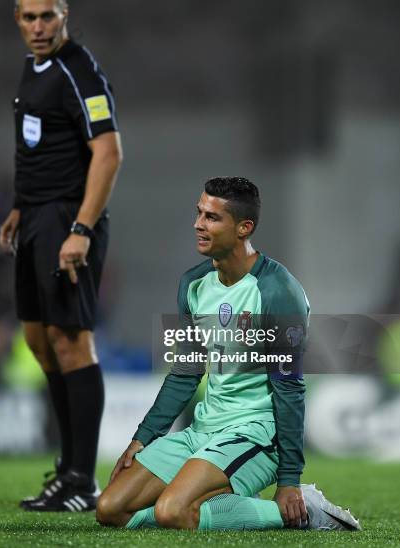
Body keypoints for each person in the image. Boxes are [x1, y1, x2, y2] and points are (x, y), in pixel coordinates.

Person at [96, 177, 361, 532]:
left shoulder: (277, 291)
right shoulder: (193, 284)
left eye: (211, 217)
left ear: (243, 228)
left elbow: (289, 388)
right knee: (110, 508)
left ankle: (303, 512)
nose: (198, 224)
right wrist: (143, 436)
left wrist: (289, 479)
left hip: (257, 434)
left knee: (173, 511)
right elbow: (185, 373)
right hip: (204, 429)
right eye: (199, 212)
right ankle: (200, 503)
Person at [0, 0, 122, 512]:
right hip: (38, 218)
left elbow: (109, 152)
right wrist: (22, 205)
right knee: (38, 339)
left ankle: (81, 478)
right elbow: (41, 147)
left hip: (69, 220)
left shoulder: (79, 71)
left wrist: (81, 229)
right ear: (18, 20)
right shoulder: (35, 67)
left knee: (71, 340)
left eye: (48, 16)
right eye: (29, 17)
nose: (39, 26)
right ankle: (67, 471)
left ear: (65, 15)